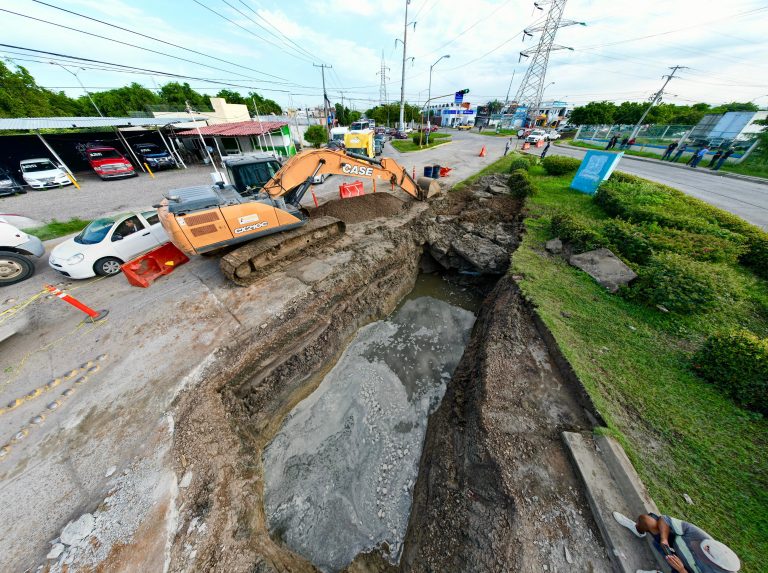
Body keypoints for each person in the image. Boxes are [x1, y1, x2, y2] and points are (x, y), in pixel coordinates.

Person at [613, 512, 741, 573]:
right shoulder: (700, 536)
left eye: (702, 554)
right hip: (670, 546)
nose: (698, 550)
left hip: (683, 570)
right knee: (646, 520)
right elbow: (665, 520)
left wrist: (681, 570)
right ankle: (638, 530)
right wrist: (664, 539)